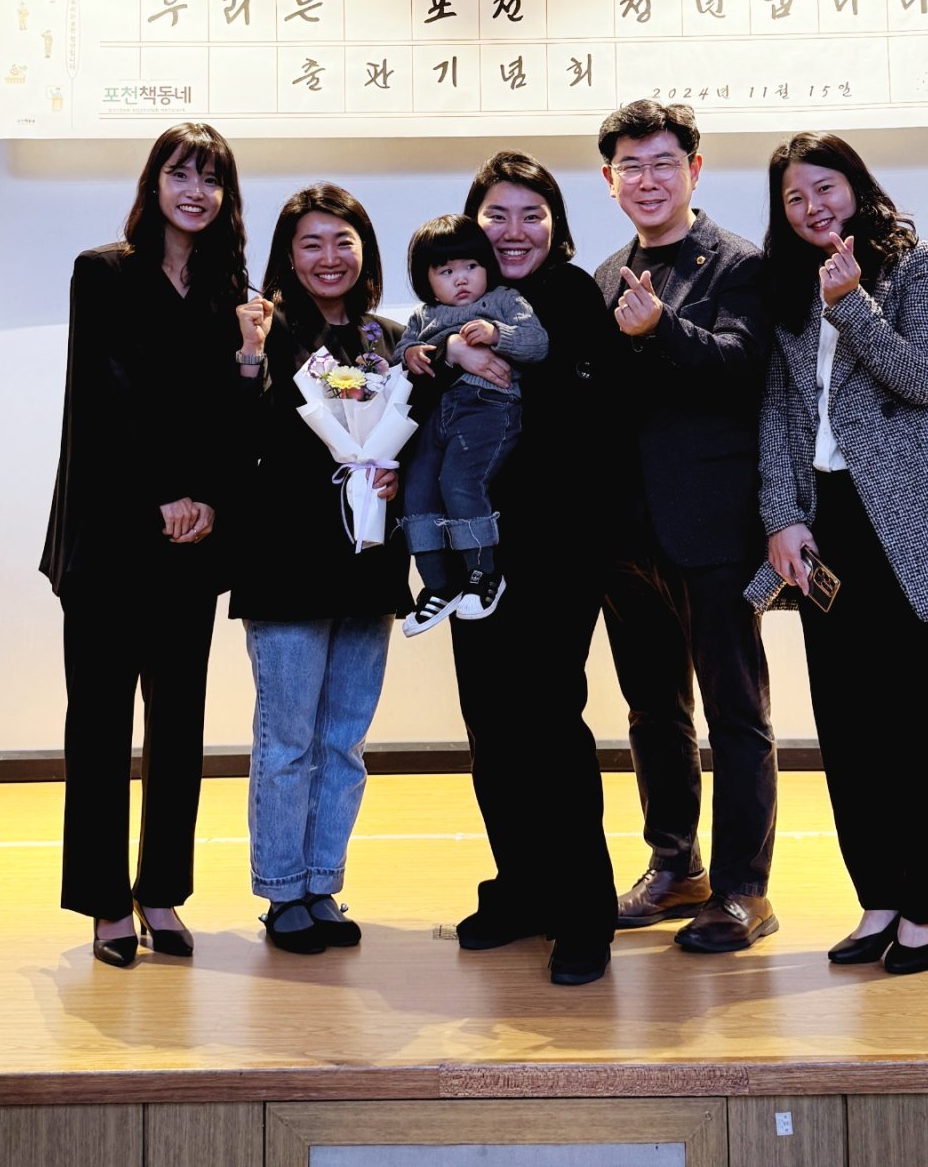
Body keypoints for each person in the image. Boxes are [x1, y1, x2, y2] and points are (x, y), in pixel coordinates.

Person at [752, 132, 928, 975]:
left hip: (905, 516)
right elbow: (777, 412)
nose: (811, 206)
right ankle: (880, 896)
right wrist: (782, 516)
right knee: (847, 720)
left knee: (917, 716)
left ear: (856, 186)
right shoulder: (786, 284)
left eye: (824, 187)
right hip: (826, 521)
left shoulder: (917, 266)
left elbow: (921, 377)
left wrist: (852, 301)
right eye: (794, 197)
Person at [408, 152, 619, 984]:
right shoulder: (455, 306)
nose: (514, 230)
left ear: (556, 225)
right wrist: (446, 357)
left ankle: (584, 911)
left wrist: (487, 360)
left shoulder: (567, 294)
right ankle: (523, 886)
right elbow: (420, 410)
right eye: (497, 215)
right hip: (476, 549)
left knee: (549, 720)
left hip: (557, 545)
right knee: (490, 724)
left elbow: (588, 406)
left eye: (533, 214)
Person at [41, 122, 247, 968]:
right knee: (98, 724)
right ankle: (103, 902)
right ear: (154, 182)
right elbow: (104, 396)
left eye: (212, 178)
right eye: (181, 173)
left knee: (179, 724)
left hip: (191, 540)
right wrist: (162, 496)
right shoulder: (104, 272)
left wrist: (208, 501)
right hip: (110, 533)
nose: (196, 191)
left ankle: (160, 889)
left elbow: (231, 417)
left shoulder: (231, 288)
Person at [594, 99, 778, 953]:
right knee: (653, 712)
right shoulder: (605, 272)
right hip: (626, 532)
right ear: (609, 180)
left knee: (736, 713)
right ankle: (677, 865)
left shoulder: (738, 263)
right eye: (630, 166)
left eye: (663, 162)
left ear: (694, 169)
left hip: (714, 527)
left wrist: (662, 327)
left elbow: (746, 368)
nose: (647, 179)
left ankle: (744, 889)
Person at [230, 185, 407, 955]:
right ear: (288, 255)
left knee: (343, 742)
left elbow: (414, 437)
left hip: (366, 561)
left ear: (364, 248)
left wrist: (399, 473)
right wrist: (246, 355)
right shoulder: (264, 332)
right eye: (311, 243)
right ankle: (281, 891)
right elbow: (234, 436)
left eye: (343, 240)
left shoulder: (387, 339)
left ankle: (323, 883)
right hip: (286, 561)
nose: (329, 257)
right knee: (287, 740)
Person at [395, 213, 548, 635]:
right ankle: (437, 585)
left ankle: (483, 574)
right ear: (426, 279)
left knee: (459, 482)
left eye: (471, 266)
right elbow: (402, 356)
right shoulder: (424, 315)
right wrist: (411, 354)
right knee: (418, 488)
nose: (461, 278)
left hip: (488, 407)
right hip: (437, 415)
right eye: (446, 271)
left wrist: (497, 334)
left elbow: (537, 343)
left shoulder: (504, 300)